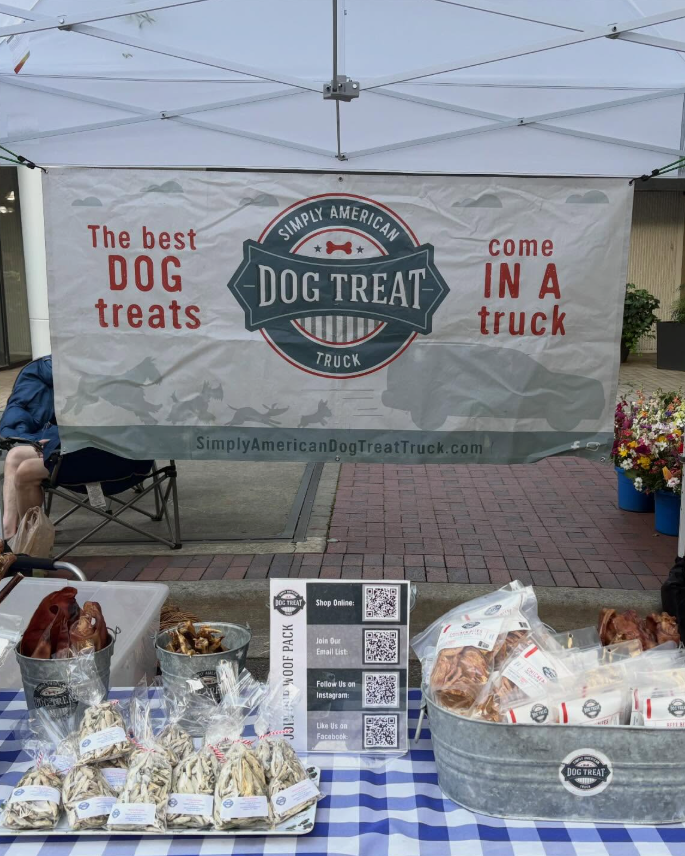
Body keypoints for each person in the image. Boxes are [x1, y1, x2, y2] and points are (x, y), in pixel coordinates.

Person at [2, 440, 50, 539]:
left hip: (83, 454)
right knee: (15, 455)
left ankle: (27, 539)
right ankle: (8, 531)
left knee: (26, 471)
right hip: (66, 445)